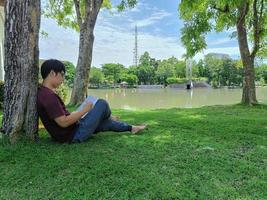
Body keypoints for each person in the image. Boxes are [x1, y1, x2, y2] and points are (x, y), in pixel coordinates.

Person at [37, 59, 146, 143]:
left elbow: (62, 118)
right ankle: (108, 116)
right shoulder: (48, 96)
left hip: (73, 129)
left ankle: (131, 128)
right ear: (52, 73)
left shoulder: (44, 92)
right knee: (102, 103)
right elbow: (63, 122)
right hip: (73, 135)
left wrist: (76, 114)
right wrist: (84, 110)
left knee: (106, 123)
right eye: (62, 75)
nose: (63, 79)